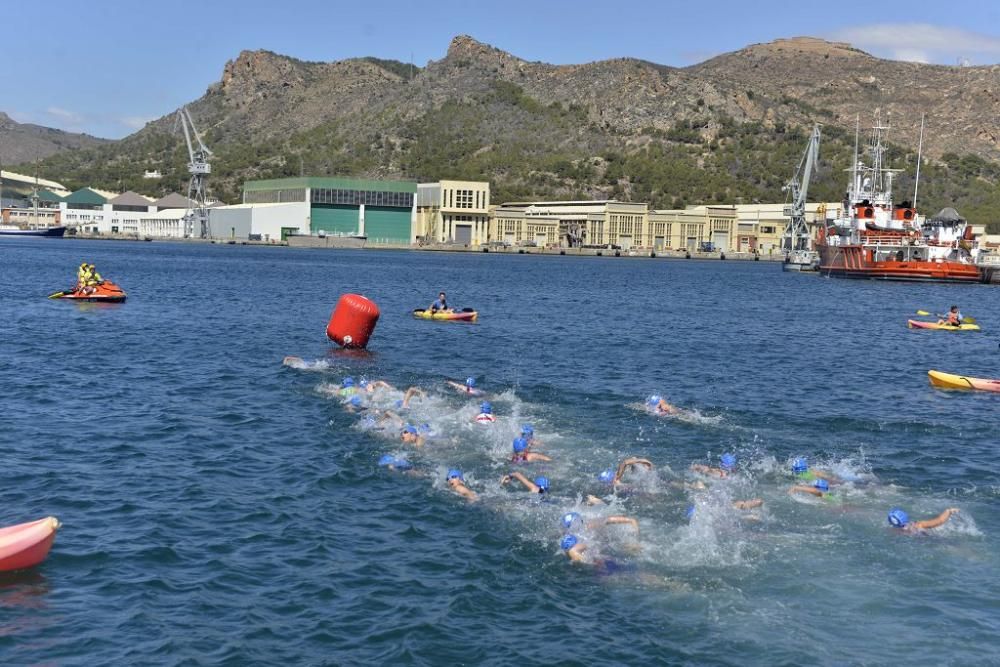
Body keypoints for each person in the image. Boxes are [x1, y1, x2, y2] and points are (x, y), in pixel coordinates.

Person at [888, 507, 959, 532]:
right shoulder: (919, 525)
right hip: (934, 540)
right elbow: (939, 521)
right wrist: (948, 511)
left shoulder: (897, 532)